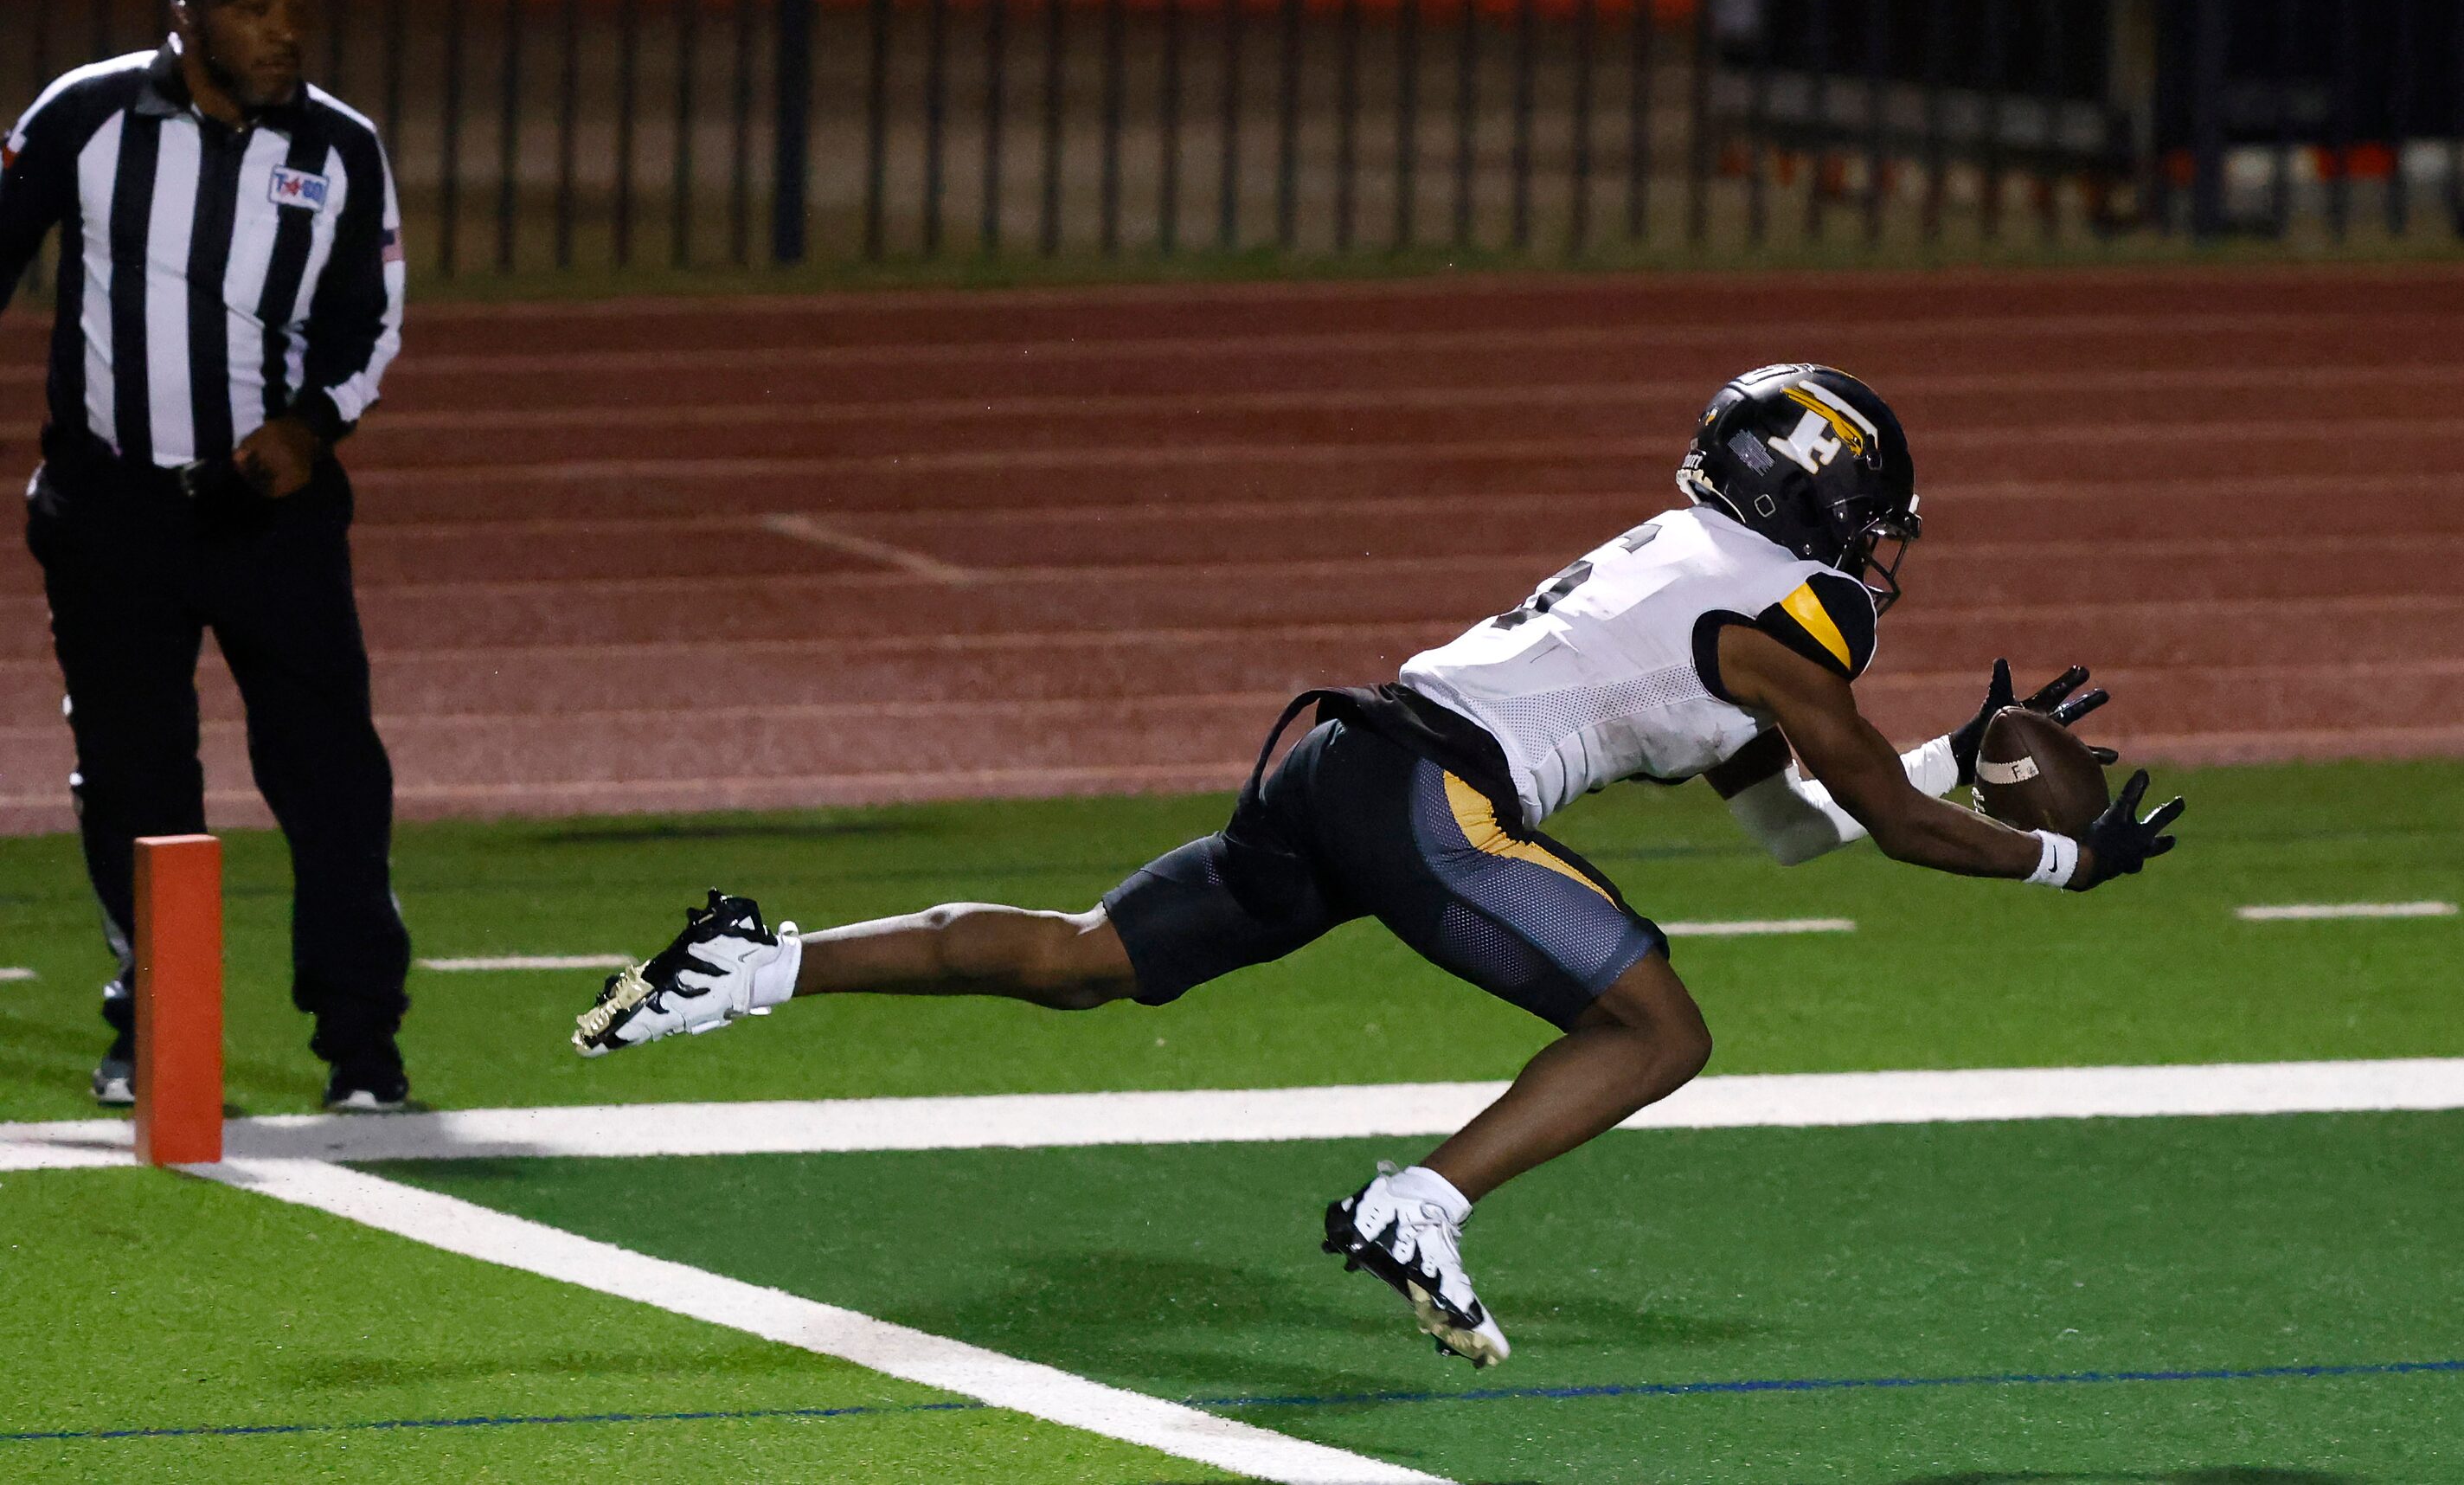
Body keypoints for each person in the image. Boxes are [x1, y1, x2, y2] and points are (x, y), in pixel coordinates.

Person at [569, 363, 2184, 1366]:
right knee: (1658, 1030)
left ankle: (756, 961)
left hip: (1351, 761)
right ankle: (1417, 1203)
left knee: (1086, 955)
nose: (1875, 546)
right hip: (1432, 795)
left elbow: (1798, 819)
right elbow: (1887, 832)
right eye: (1868, 514)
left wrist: (1951, 763)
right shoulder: (1777, 624)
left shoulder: (1706, 584)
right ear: (1815, 499)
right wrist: (2066, 859)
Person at [0, 0, 414, 1112]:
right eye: (256, 7)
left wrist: (312, 423)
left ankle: (362, 1047)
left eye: (300, 7)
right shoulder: (83, 116)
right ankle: (160, 1021)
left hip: (267, 512)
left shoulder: (339, 148)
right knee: (135, 779)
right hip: (111, 507)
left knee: (332, 773)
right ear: (187, 19)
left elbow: (369, 317)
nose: (288, 30)